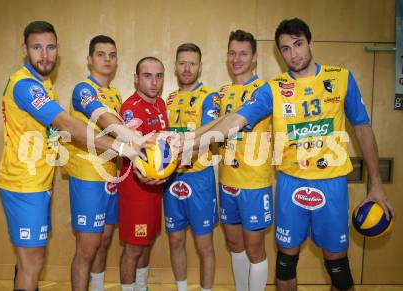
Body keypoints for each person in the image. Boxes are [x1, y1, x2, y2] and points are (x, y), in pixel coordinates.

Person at [190, 18, 394, 291]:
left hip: (331, 184)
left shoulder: (340, 78)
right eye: (285, 48)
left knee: (338, 269)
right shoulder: (273, 88)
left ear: (311, 43)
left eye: (298, 44)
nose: (293, 53)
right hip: (290, 184)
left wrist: (376, 184)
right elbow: (234, 120)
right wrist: (188, 142)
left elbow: (363, 129)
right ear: (279, 53)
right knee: (285, 266)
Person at [0, 21, 141, 291]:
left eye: (50, 47)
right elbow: (67, 125)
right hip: (23, 184)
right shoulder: (27, 86)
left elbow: (56, 132)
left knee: (31, 261)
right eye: (37, 48)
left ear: (58, 50)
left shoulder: (44, 84)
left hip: (40, 181)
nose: (44, 55)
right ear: (24, 49)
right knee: (33, 263)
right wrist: (123, 146)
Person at [63, 35, 129, 291]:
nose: (107, 60)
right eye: (101, 54)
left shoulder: (115, 94)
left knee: (104, 241)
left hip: (111, 175)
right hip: (87, 175)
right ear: (89, 60)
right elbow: (107, 122)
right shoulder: (83, 89)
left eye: (112, 55)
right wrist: (135, 141)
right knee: (87, 248)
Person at [218, 30, 272, 291]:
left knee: (254, 249)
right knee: (234, 245)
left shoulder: (265, 91)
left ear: (254, 58)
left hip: (254, 184)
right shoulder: (223, 93)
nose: (236, 59)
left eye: (243, 53)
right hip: (226, 180)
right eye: (232, 53)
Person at [164, 43, 219, 291]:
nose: (187, 68)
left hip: (199, 181)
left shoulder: (209, 97)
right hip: (171, 180)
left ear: (200, 67)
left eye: (192, 63)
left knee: (203, 244)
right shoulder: (169, 99)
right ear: (175, 66)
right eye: (182, 63)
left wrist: (176, 156)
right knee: (175, 240)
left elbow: (207, 139)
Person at [118, 57, 168, 291]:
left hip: (155, 188)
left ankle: (141, 287)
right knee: (134, 248)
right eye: (147, 76)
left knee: (146, 242)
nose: (154, 82)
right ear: (136, 78)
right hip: (136, 189)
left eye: (159, 76)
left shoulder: (161, 105)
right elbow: (137, 155)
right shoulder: (131, 109)